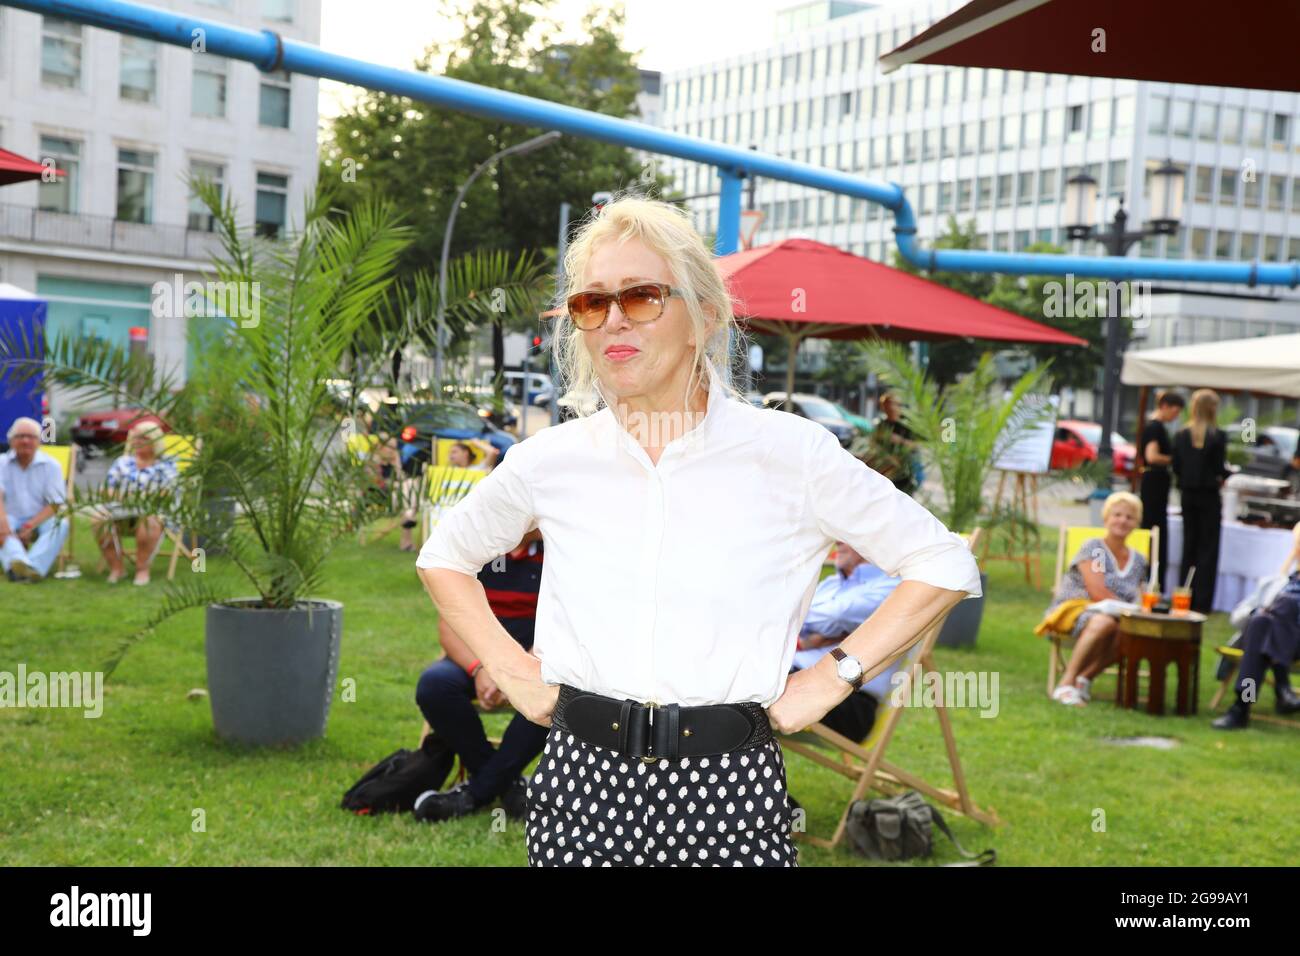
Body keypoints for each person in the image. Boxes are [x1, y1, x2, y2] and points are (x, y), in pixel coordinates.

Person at [415, 195, 981, 868]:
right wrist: (508, 670)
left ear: (704, 318)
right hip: (578, 781)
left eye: (643, 296)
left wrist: (832, 679)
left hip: (729, 786)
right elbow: (445, 556)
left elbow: (942, 563)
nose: (614, 319)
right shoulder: (552, 459)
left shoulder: (790, 454)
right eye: (592, 303)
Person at [413, 528, 548, 820]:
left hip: (534, 662)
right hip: (477, 659)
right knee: (434, 686)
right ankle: (507, 786)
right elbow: (449, 625)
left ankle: (475, 793)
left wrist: (516, 673)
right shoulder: (477, 550)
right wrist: (481, 668)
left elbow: (563, 626)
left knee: (556, 696)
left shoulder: (558, 553)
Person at [788, 541, 902, 744]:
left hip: (847, 702)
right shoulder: (832, 583)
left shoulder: (895, 587)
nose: (837, 540)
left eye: (846, 533)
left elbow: (835, 618)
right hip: (800, 681)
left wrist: (791, 620)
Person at [1044, 491, 1150, 706]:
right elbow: (1097, 592)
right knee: (1104, 621)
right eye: (1117, 514)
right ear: (1106, 518)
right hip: (1076, 611)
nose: (1122, 520)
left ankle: (1084, 678)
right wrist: (1128, 611)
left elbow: (1142, 595)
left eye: (1129, 517)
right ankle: (1066, 683)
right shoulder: (1094, 549)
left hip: (1119, 618)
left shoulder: (1139, 560)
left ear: (1136, 523)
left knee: (1134, 631)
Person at [1212, 524, 1300, 729]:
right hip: (1270, 641)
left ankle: (1241, 707)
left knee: (1275, 615)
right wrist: (1258, 612)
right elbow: (1238, 617)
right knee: (1260, 623)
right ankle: (1280, 688)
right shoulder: (1276, 583)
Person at [91, 420, 178, 586]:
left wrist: (130, 496)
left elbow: (166, 493)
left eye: (143, 438)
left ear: (155, 441)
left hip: (154, 511)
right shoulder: (123, 462)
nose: (137, 442)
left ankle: (142, 569)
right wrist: (131, 497)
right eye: (135, 438)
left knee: (148, 520)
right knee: (98, 518)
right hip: (121, 511)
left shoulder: (166, 464)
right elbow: (106, 490)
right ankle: (117, 569)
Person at [1171, 389, 1229, 614]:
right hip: (1208, 495)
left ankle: (1185, 594)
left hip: (1188, 494)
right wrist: (1225, 476)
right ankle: (1203, 601)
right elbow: (1218, 469)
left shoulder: (1181, 434)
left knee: (1189, 547)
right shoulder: (1217, 436)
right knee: (1208, 548)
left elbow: (1176, 466)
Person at [0, 416, 70, 582]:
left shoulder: (51, 465)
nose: (25, 441)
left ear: (39, 441)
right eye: (20, 436)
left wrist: (31, 524)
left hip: (41, 517)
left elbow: (55, 503)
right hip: (8, 515)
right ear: (11, 441)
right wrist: (2, 522)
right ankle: (21, 563)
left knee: (61, 524)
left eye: (30, 437)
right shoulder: (1, 463)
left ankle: (30, 566)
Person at [1138, 390, 1185, 582]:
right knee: (1154, 527)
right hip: (1154, 483)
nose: (1176, 416)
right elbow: (1151, 456)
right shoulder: (1154, 428)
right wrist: (1175, 459)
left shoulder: (1156, 427)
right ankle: (1152, 576)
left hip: (1157, 483)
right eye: (1175, 411)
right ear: (1164, 406)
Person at [872, 392, 920, 495]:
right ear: (883, 407)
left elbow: (918, 445)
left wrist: (900, 440)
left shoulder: (908, 424)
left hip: (906, 470)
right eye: (888, 405)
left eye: (894, 404)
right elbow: (874, 445)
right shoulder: (881, 425)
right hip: (887, 470)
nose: (891, 408)